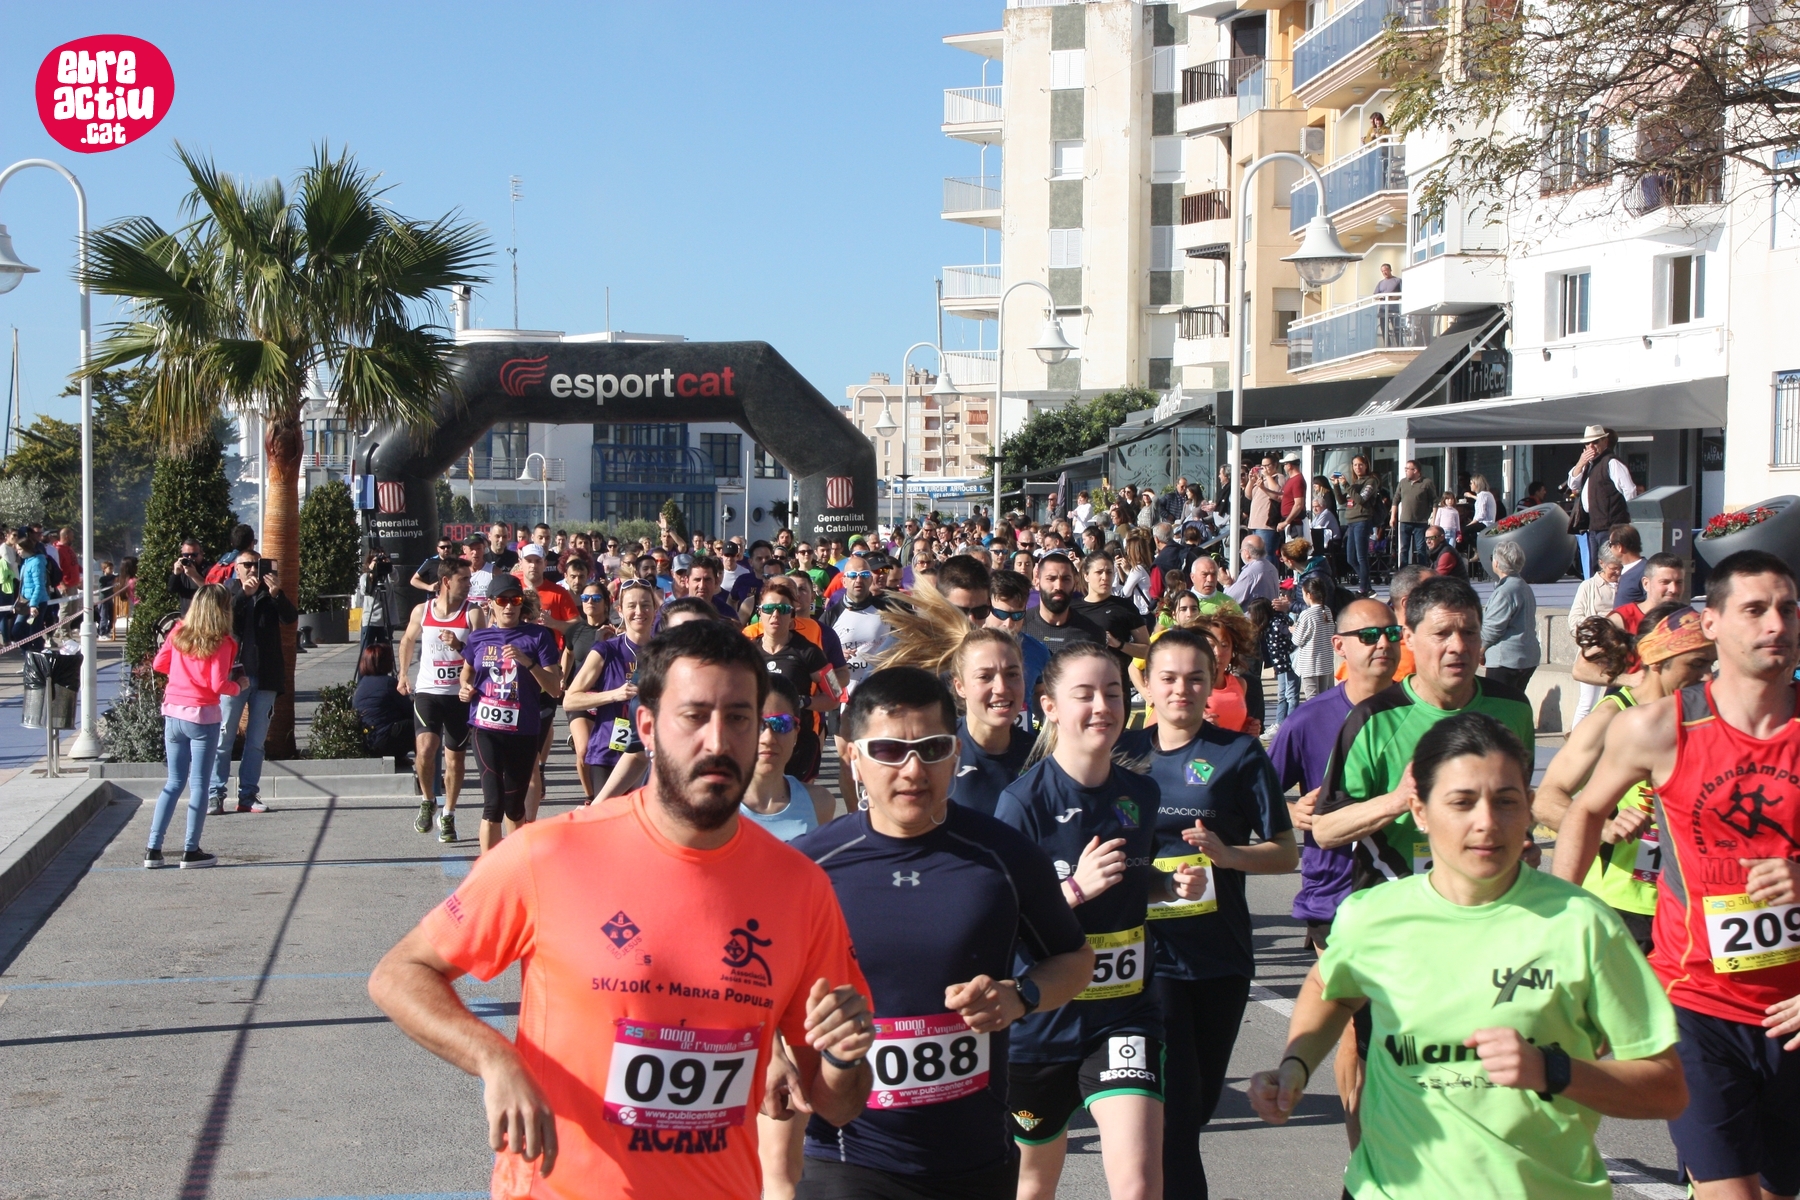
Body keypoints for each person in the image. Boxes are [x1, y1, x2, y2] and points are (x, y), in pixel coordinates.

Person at [370, 621, 877, 1200]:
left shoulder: (800, 888)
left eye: (739, 717)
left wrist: (843, 1059)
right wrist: (495, 1059)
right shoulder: (551, 853)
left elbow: (837, 1103)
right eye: (694, 716)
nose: (718, 741)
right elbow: (399, 973)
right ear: (647, 727)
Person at [1248, 712, 1688, 1200]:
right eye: (1461, 802)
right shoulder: (1373, 913)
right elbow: (1330, 987)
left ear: (1529, 809)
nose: (1486, 822)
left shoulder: (1582, 923)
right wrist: (1296, 1064)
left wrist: (1553, 1071)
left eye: (1506, 801)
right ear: (1419, 811)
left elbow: (1666, 1089)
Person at [779, 666, 1094, 1200]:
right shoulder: (808, 868)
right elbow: (751, 986)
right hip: (847, 1157)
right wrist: (772, 1052)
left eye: (931, 749)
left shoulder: (1006, 857)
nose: (912, 769)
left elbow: (1076, 960)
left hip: (976, 1157)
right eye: (888, 750)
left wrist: (1020, 996)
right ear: (852, 756)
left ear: (955, 754)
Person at [1549, 550, 1800, 1200]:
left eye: (1787, 609)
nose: (1776, 624)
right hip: (1695, 1007)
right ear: (1711, 623)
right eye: (1755, 610)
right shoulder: (1658, 728)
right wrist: (1555, 920)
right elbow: (1583, 809)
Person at [995, 643, 1210, 1200]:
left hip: (1125, 1013)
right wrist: (1073, 889)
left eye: (1113, 693)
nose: (1102, 707)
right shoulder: (1022, 803)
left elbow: (1136, 879)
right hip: (1043, 1022)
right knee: (1033, 1185)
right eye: (1085, 695)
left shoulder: (1140, 792)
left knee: (1139, 1185)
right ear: (1049, 707)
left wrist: (1170, 886)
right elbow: (1000, 918)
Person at [1118, 630, 1296, 1200]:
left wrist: (1228, 855)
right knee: (1174, 1116)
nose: (1181, 689)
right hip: (1148, 959)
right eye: (1168, 678)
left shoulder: (1238, 754)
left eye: (1195, 678)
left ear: (1213, 681)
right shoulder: (1122, 754)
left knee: (1198, 1106)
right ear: (1146, 684)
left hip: (1220, 956)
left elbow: (1285, 852)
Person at [1269, 597, 1401, 1151]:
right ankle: (1361, 1151)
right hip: (1336, 893)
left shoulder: (1417, 710)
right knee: (1355, 1020)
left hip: (1408, 891)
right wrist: (1291, 811)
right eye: (1368, 635)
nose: (1383, 644)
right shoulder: (1309, 720)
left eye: (1391, 633)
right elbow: (1258, 799)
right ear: (1340, 646)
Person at [1314, 575, 1535, 893]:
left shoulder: (1513, 709)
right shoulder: (1374, 718)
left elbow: (1518, 802)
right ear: (1409, 638)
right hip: (1397, 901)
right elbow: (1325, 829)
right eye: (1442, 634)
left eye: (1469, 632)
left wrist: (1522, 842)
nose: (1458, 646)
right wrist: (1398, 800)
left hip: (1489, 901)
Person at [1533, 606, 1713, 953]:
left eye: (1711, 664)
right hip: (1622, 904)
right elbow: (1547, 799)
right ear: (1657, 660)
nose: (1707, 678)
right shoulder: (1611, 717)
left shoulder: (1705, 718)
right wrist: (1603, 828)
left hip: (1690, 903)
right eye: (1696, 664)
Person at [457, 575, 563, 853]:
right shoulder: (478, 638)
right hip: (485, 727)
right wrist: (465, 688)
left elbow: (554, 688)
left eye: (514, 600)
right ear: (490, 603)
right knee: (493, 804)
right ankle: (488, 870)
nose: (509, 606)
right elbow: (467, 673)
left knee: (515, 807)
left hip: (523, 730)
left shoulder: (538, 636)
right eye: (502, 600)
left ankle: (515, 867)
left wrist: (528, 663)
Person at [145, 584, 240, 870]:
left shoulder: (178, 632)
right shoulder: (223, 642)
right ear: (223, 610)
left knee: (173, 782)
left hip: (173, 712)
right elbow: (218, 684)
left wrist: (182, 674)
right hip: (202, 715)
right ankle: (190, 849)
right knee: (199, 784)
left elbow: (159, 664)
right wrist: (238, 686)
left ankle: (153, 849)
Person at [397, 555, 484, 843]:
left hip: (459, 695)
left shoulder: (473, 613)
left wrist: (459, 645)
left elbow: (482, 654)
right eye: (463, 579)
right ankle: (427, 800)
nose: (469, 584)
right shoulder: (422, 611)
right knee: (425, 749)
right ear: (446, 581)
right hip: (428, 691)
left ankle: (448, 813)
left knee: (454, 760)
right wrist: (403, 674)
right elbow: (408, 640)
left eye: (470, 579)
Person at [209, 553, 297, 816]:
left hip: (265, 676)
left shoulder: (271, 593)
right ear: (236, 569)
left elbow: (290, 618)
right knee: (223, 738)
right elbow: (220, 623)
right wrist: (243, 596)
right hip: (234, 676)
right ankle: (215, 794)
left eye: (256, 565)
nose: (252, 570)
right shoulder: (228, 593)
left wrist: (277, 594)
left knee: (256, 741)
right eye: (246, 565)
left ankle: (248, 795)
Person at [565, 578, 658, 800]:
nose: (639, 612)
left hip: (649, 752)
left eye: (646, 605)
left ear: (655, 609)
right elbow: (570, 700)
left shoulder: (664, 652)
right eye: (631, 606)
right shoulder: (606, 650)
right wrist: (614, 695)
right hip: (609, 751)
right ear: (620, 610)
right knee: (608, 818)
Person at [752, 583, 836, 782]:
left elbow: (835, 696)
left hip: (798, 745)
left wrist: (804, 702)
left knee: (798, 797)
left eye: (783, 609)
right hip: (757, 743)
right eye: (769, 608)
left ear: (791, 614)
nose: (775, 615)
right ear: (760, 612)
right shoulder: (748, 652)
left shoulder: (810, 652)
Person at [949, 627, 1035, 816]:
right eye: (985, 677)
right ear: (960, 687)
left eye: (1012, 674)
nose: (1001, 688)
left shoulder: (1040, 756)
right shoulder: (936, 751)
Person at [739, 675, 834, 846]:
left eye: (781, 724)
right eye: (755, 724)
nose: (768, 738)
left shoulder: (820, 803)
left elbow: (835, 690)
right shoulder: (710, 806)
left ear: (796, 733)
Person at [561, 579, 615, 799]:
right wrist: (562, 677)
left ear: (606, 603)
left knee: (609, 752)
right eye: (585, 598)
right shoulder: (575, 630)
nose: (590, 602)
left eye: (596, 598)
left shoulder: (615, 631)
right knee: (583, 751)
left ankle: (609, 794)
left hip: (608, 697)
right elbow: (568, 653)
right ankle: (590, 798)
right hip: (581, 697)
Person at [1073, 550, 1153, 694]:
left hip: (1115, 688)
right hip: (1080, 686)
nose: (1105, 577)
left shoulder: (1125, 607)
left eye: (1109, 572)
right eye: (1099, 572)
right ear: (1086, 576)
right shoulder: (1073, 609)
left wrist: (1119, 644)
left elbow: (1147, 651)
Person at [1567, 426, 1640, 578]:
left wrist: (1631, 518)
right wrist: (1581, 462)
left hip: (1611, 526)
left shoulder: (1611, 462)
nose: (1591, 447)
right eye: (1587, 443)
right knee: (1597, 567)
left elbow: (1629, 490)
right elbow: (1573, 484)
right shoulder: (1589, 465)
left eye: (1595, 442)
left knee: (1611, 564)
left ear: (1605, 441)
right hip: (1594, 525)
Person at [1568, 546, 1622, 724]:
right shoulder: (1588, 586)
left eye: (1620, 567)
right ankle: (1576, 736)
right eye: (1613, 568)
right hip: (1595, 652)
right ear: (1602, 564)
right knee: (1587, 702)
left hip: (1618, 651)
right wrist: (1599, 625)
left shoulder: (1626, 585)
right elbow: (1574, 621)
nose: (1617, 572)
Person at [1482, 540, 1541, 693]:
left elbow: (1492, 628)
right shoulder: (1524, 586)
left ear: (1496, 563)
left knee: (1498, 703)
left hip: (1505, 659)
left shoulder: (1505, 591)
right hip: (1527, 656)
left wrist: (1479, 649)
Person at [1023, 553, 1103, 654]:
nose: (1059, 586)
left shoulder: (1092, 633)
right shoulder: (1020, 627)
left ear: (1075, 583)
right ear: (1037, 583)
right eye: (1051, 579)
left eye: (1066, 579)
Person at [354, 643, 416, 758]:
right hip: (383, 740)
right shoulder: (389, 683)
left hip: (367, 740)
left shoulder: (362, 683)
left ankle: (399, 759)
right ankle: (425, 765)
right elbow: (409, 710)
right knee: (420, 724)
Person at [1611, 551, 1687, 634]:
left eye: (1679, 582)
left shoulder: (1689, 620)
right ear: (1646, 584)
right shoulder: (1621, 620)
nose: (1674, 589)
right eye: (1665, 582)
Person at [1291, 576, 1337, 700]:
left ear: (1309, 595)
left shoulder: (1307, 614)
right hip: (1325, 663)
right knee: (1322, 698)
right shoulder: (1327, 611)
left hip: (1310, 664)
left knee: (1312, 700)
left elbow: (1297, 640)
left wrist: (1294, 630)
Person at [1389, 460, 1436, 567]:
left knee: (1421, 548)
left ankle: (1422, 570)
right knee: (1404, 548)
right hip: (1405, 521)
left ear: (1415, 470)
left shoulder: (1426, 483)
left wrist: (1433, 518)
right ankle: (1403, 570)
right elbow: (1396, 500)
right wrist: (1393, 517)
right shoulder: (1403, 482)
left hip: (1420, 522)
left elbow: (1434, 501)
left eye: (1407, 469)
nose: (1405, 471)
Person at [1225, 536, 1280, 608]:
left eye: (1241, 551)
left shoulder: (1250, 572)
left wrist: (1227, 584)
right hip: (1268, 612)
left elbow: (1229, 600)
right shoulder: (1271, 567)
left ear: (1246, 553)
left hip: (1253, 614)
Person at [1608, 524, 1647, 608]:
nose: (1610, 549)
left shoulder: (1645, 571)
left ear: (1619, 547)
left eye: (1610, 544)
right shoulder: (1624, 570)